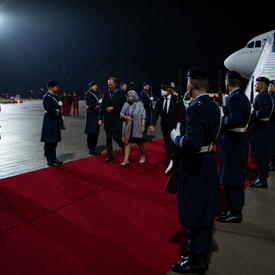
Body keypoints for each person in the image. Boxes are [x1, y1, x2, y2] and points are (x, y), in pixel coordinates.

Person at [170, 67, 221, 274]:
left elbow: (192, 142)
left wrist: (176, 137)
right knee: (205, 209)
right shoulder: (213, 105)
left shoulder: (196, 108)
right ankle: (201, 248)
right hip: (208, 160)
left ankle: (195, 259)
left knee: (194, 210)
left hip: (195, 163)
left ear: (190, 86)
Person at [217, 71, 250, 223]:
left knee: (233, 177)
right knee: (234, 176)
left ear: (228, 82)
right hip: (236, 141)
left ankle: (235, 212)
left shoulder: (235, 98)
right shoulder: (239, 96)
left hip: (233, 142)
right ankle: (232, 209)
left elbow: (234, 120)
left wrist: (221, 120)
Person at [150, 81, 186, 165]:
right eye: (161, 89)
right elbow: (155, 113)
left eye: (164, 89)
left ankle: (176, 161)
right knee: (167, 144)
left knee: (174, 144)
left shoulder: (176, 99)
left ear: (169, 90)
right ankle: (169, 161)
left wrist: (183, 124)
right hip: (164, 126)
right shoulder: (160, 100)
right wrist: (152, 124)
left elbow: (183, 112)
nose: (162, 91)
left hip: (175, 126)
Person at [250, 77, 273, 188]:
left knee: (261, 156)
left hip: (260, 129)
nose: (255, 86)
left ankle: (262, 179)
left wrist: (253, 114)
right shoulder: (265, 96)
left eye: (257, 84)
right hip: (262, 129)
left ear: (263, 86)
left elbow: (263, 112)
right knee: (261, 155)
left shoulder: (262, 96)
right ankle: (261, 177)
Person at [99, 77, 125, 162]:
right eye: (108, 84)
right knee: (108, 139)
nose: (110, 86)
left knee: (116, 137)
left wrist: (113, 108)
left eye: (111, 84)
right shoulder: (105, 93)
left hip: (116, 120)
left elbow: (123, 107)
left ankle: (124, 148)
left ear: (115, 84)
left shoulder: (120, 93)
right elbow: (102, 107)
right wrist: (100, 118)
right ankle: (109, 156)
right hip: (107, 120)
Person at [120, 90, 146, 166]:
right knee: (127, 142)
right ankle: (126, 159)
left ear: (135, 96)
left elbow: (143, 116)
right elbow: (121, 113)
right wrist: (125, 117)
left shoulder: (140, 104)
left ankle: (143, 155)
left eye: (131, 96)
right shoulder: (126, 104)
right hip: (127, 126)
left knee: (139, 142)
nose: (130, 97)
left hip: (137, 126)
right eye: (128, 96)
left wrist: (143, 126)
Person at [41, 80, 63, 166]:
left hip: (55, 120)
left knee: (54, 140)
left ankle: (54, 157)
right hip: (49, 120)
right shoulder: (47, 96)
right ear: (51, 87)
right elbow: (48, 108)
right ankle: (48, 158)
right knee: (48, 141)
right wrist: (57, 112)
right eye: (56, 86)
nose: (57, 88)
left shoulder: (56, 96)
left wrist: (60, 107)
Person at [85, 81, 101, 155]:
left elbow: (100, 101)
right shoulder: (88, 94)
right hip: (91, 115)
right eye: (94, 85)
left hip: (96, 115)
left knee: (96, 132)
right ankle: (91, 149)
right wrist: (98, 106)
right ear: (91, 86)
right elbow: (90, 103)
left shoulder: (97, 93)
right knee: (91, 133)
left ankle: (94, 147)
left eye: (96, 85)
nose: (96, 87)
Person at [268, 80, 275, 171]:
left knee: (273, 144)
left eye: (272, 85)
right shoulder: (271, 96)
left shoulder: (273, 97)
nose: (270, 86)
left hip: (272, 122)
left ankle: (274, 163)